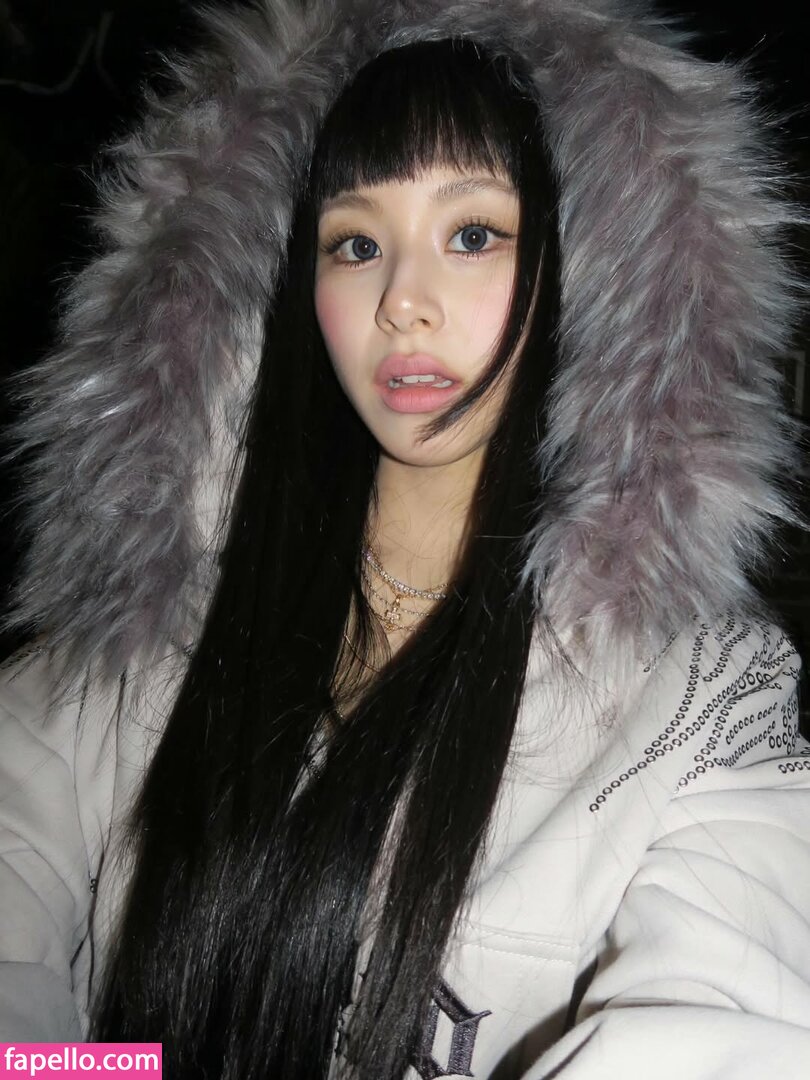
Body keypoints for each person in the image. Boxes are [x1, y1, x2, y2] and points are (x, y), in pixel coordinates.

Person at [0, 1, 808, 1077]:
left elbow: (737, 1014)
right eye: (355, 243)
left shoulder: (701, 703)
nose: (402, 303)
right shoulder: (127, 651)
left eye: (473, 234)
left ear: (601, 270)